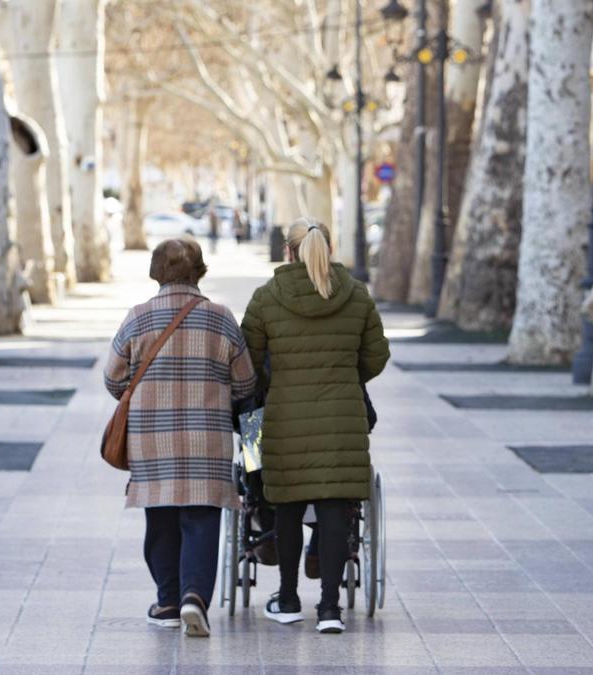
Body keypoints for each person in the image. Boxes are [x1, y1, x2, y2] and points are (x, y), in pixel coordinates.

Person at [241, 218, 390, 634]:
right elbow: (376, 357)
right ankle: (329, 608)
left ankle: (287, 599)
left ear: (288, 251)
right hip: (343, 415)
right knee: (335, 506)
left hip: (283, 415)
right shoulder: (357, 295)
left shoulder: (267, 298)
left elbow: (247, 364)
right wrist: (344, 372)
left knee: (286, 505)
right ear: (329, 247)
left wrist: (275, 381)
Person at [104, 238, 256, 638]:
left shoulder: (137, 318)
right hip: (208, 443)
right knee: (202, 521)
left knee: (161, 522)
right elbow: (246, 385)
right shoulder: (221, 318)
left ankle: (168, 600)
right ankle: (194, 597)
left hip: (153, 443)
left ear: (156, 271)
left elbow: (113, 378)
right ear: (199, 271)